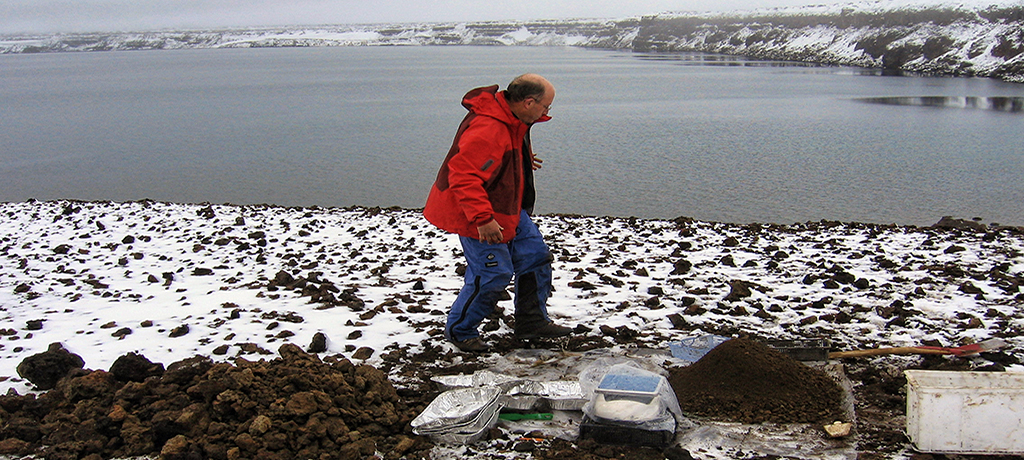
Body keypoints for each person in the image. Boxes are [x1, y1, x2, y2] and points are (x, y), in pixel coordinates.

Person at [423, 73, 573, 352]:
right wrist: (483, 220)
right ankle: (461, 331)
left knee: (535, 257)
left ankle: (531, 321)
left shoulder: (513, 118)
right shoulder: (489, 127)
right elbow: (464, 176)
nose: (546, 113)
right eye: (545, 107)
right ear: (529, 102)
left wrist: (520, 159)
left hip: (508, 208)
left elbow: (499, 150)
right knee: (493, 274)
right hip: (477, 213)